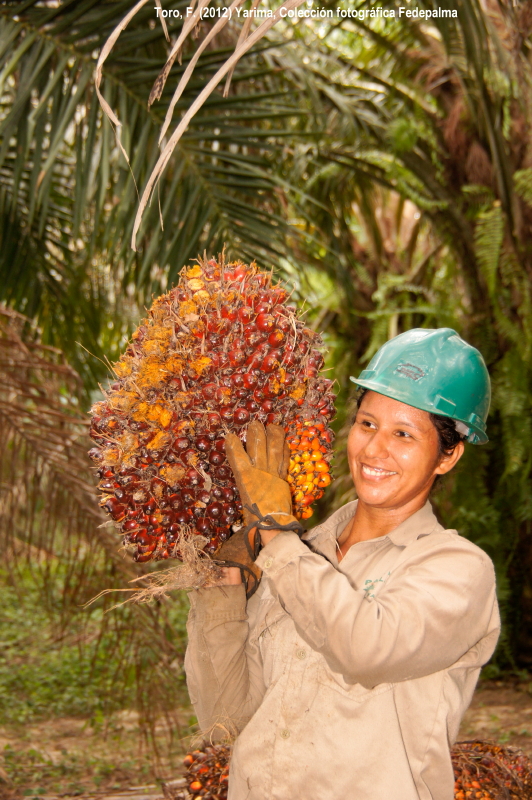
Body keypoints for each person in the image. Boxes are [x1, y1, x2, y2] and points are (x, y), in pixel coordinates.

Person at [184, 327, 500, 800]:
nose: (374, 449)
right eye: (367, 424)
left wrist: (274, 531)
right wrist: (222, 583)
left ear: (448, 455)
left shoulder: (457, 570)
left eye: (403, 434)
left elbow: (365, 649)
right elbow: (224, 718)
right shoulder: (297, 554)